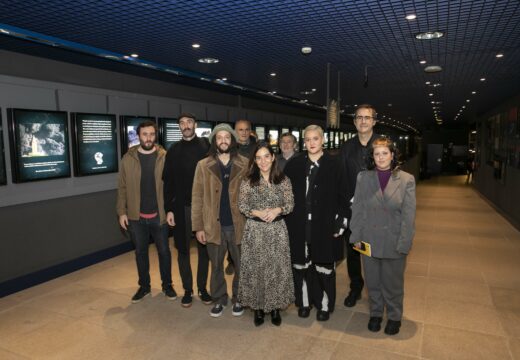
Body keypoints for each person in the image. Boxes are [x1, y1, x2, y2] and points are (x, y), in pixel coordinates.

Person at [349, 136, 416, 335]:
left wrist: (404, 242)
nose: (380, 157)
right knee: (372, 282)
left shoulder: (406, 180)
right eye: (376, 154)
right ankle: (376, 313)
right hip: (368, 239)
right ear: (373, 156)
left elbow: (408, 216)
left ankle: (394, 316)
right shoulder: (363, 177)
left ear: (392, 155)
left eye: (384, 153)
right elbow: (358, 209)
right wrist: (355, 237)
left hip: (393, 240)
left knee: (392, 283)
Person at [284, 125, 349, 321]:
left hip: (325, 225)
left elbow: (345, 197)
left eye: (315, 139)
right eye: (308, 139)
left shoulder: (335, 164)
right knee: (301, 266)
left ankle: (324, 305)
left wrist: (340, 222)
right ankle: (303, 302)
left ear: (323, 140)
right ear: (304, 142)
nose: (311, 143)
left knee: (324, 267)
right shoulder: (294, 165)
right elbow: (284, 195)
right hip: (298, 225)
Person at [191, 123, 248, 318]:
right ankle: (219, 299)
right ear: (214, 141)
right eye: (219, 137)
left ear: (232, 140)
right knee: (216, 266)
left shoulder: (245, 163)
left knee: (241, 266)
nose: (223, 140)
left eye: (227, 137)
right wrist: (198, 227)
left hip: (238, 225)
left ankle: (239, 299)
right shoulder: (203, 165)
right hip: (212, 226)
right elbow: (197, 197)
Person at [116, 120, 176, 303]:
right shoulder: (128, 159)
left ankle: (167, 286)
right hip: (136, 217)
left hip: (160, 217)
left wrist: (170, 210)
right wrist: (122, 212)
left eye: (151, 134)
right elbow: (122, 187)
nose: (148, 138)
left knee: (164, 252)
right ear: (138, 136)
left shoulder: (164, 157)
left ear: (155, 135)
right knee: (140, 253)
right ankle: (144, 286)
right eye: (144, 134)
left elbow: (171, 186)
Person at [238, 142, 295, 327]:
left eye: (266, 156)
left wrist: (278, 209)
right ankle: (259, 308)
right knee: (257, 270)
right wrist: (258, 212)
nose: (263, 161)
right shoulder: (248, 181)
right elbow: (243, 205)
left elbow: (290, 204)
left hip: (277, 231)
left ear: (272, 158)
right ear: (254, 160)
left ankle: (276, 307)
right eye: (258, 157)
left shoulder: (283, 180)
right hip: (255, 231)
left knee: (276, 270)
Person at [162, 113, 212, 308]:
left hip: (203, 208)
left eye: (189, 122)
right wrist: (169, 209)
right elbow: (168, 182)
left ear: (195, 125)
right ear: (179, 127)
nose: (186, 126)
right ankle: (188, 290)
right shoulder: (173, 150)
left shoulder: (207, 147)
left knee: (204, 249)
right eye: (182, 123)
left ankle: (202, 288)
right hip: (181, 208)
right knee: (182, 250)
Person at [340, 104, 380, 308]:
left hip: (377, 211)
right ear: (355, 121)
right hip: (352, 210)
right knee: (354, 252)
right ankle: (355, 287)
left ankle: (376, 292)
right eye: (359, 118)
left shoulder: (382, 146)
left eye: (367, 117)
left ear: (374, 121)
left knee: (374, 253)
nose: (363, 121)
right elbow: (340, 178)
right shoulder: (346, 148)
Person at [225, 119, 257, 275]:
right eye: (240, 130)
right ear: (235, 131)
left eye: (246, 129)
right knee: (233, 231)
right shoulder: (229, 148)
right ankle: (231, 260)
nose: (243, 133)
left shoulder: (257, 147)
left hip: (252, 194)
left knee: (250, 231)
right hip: (233, 194)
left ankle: (248, 261)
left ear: (250, 130)